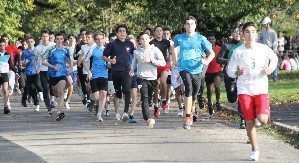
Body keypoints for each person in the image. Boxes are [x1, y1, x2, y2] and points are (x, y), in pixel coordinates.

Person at [227, 22, 278, 161]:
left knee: (262, 119)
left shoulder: (263, 48)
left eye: (253, 31)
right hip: (244, 89)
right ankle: (255, 149)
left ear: (256, 34)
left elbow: (274, 59)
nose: (250, 34)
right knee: (249, 121)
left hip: (260, 88)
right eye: (247, 32)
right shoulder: (238, 51)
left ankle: (260, 116)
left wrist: (270, 69)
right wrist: (237, 71)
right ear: (242, 34)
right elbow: (230, 71)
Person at [170, 15, 215, 129]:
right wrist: (174, 59)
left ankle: (191, 107)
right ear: (184, 26)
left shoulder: (201, 38)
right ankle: (187, 116)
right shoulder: (179, 38)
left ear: (195, 26)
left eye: (192, 24)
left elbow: (212, 53)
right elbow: (173, 47)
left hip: (198, 68)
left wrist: (206, 61)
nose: (190, 26)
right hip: (184, 68)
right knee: (188, 88)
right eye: (187, 24)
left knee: (194, 93)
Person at [130, 31, 166, 128]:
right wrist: (132, 70)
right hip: (141, 77)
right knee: (144, 97)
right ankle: (147, 118)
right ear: (139, 41)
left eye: (146, 38)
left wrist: (151, 61)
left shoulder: (155, 50)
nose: (144, 40)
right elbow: (134, 62)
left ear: (150, 39)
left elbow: (163, 63)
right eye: (142, 39)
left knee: (149, 96)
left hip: (152, 77)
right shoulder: (137, 51)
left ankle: (149, 104)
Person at [103, 24, 135, 122]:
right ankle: (118, 106)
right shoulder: (112, 44)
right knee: (118, 93)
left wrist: (132, 68)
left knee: (127, 90)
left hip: (127, 71)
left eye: (123, 31)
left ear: (126, 33)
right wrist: (110, 61)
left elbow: (134, 56)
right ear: (117, 33)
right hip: (115, 71)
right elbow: (104, 56)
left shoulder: (130, 44)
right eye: (120, 31)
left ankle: (125, 113)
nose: (122, 33)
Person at [217, 25, 246, 129]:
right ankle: (232, 97)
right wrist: (228, 61)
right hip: (229, 75)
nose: (238, 34)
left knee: (241, 95)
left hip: (242, 75)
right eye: (236, 32)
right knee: (232, 98)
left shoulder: (244, 45)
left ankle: (243, 119)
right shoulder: (227, 46)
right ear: (232, 34)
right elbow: (218, 59)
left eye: (240, 32)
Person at [42, 32, 72, 121]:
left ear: (63, 40)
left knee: (61, 91)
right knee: (56, 94)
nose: (59, 40)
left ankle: (59, 112)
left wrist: (70, 68)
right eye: (57, 39)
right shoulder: (50, 50)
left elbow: (70, 59)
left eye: (61, 39)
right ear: (55, 40)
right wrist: (52, 66)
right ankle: (58, 102)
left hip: (62, 73)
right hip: (52, 74)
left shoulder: (66, 50)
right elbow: (43, 61)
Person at [83, 32, 108, 122]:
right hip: (95, 75)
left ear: (104, 39)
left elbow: (110, 63)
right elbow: (84, 61)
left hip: (105, 75)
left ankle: (99, 114)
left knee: (103, 95)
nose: (100, 40)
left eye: (101, 38)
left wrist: (109, 65)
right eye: (97, 39)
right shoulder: (92, 50)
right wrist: (88, 72)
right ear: (95, 40)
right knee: (96, 96)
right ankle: (91, 101)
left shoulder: (107, 50)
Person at [150, 26, 171, 116]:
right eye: (157, 30)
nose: (159, 32)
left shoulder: (167, 42)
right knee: (156, 87)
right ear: (154, 33)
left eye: (160, 30)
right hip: (154, 66)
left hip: (164, 64)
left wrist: (170, 56)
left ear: (162, 32)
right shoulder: (151, 42)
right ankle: (156, 106)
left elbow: (172, 50)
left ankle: (163, 99)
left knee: (163, 81)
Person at [34, 29, 56, 115]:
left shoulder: (53, 46)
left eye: (46, 36)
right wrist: (36, 67)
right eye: (43, 36)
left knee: (53, 88)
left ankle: (54, 99)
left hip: (53, 70)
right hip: (43, 70)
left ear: (49, 37)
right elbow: (35, 59)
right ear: (41, 37)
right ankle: (49, 107)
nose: (45, 38)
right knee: (45, 89)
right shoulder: (38, 48)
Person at [21, 36, 43, 111]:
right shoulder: (24, 52)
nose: (30, 43)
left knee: (38, 83)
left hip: (38, 71)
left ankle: (40, 92)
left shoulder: (38, 50)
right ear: (27, 43)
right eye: (28, 42)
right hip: (29, 72)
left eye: (31, 42)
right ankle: (37, 104)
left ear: (34, 42)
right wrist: (24, 62)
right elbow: (22, 63)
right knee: (32, 89)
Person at [205, 33, 222, 114]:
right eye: (209, 39)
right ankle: (209, 104)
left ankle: (218, 101)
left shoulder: (219, 48)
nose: (211, 40)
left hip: (217, 71)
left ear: (215, 40)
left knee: (217, 85)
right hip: (207, 72)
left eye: (213, 39)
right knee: (209, 90)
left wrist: (223, 66)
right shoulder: (204, 49)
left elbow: (223, 57)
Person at [258, 16, 278, 81]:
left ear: (268, 23)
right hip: (264, 49)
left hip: (271, 48)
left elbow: (275, 41)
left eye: (265, 24)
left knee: (274, 62)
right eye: (264, 24)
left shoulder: (273, 32)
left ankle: (275, 77)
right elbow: (259, 39)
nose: (264, 25)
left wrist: (275, 49)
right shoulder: (263, 32)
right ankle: (266, 76)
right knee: (265, 63)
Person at [0, 39, 16, 114]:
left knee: (6, 91)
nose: (2, 47)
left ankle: (5, 107)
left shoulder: (7, 55)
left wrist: (16, 71)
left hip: (4, 75)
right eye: (0, 45)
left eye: (3, 45)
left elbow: (11, 65)